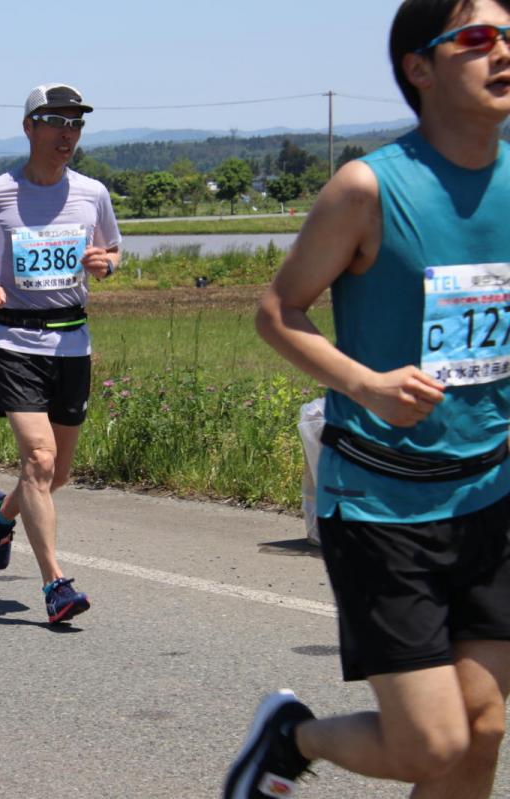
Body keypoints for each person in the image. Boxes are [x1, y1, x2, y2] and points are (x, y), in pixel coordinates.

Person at [225, 2, 510, 797]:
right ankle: (292, 736)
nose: (504, 52)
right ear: (420, 68)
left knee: (483, 728)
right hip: (385, 503)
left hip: (491, 492)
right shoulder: (369, 188)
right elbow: (277, 312)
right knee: (432, 744)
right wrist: (366, 385)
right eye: (479, 39)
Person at [0, 83, 120, 624]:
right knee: (38, 461)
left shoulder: (92, 193)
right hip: (14, 341)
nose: (68, 133)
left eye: (76, 123)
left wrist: (105, 265)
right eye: (57, 121)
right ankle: (55, 585)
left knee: (55, 474)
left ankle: (1, 512)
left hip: (73, 340)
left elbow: (113, 250)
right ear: (30, 127)